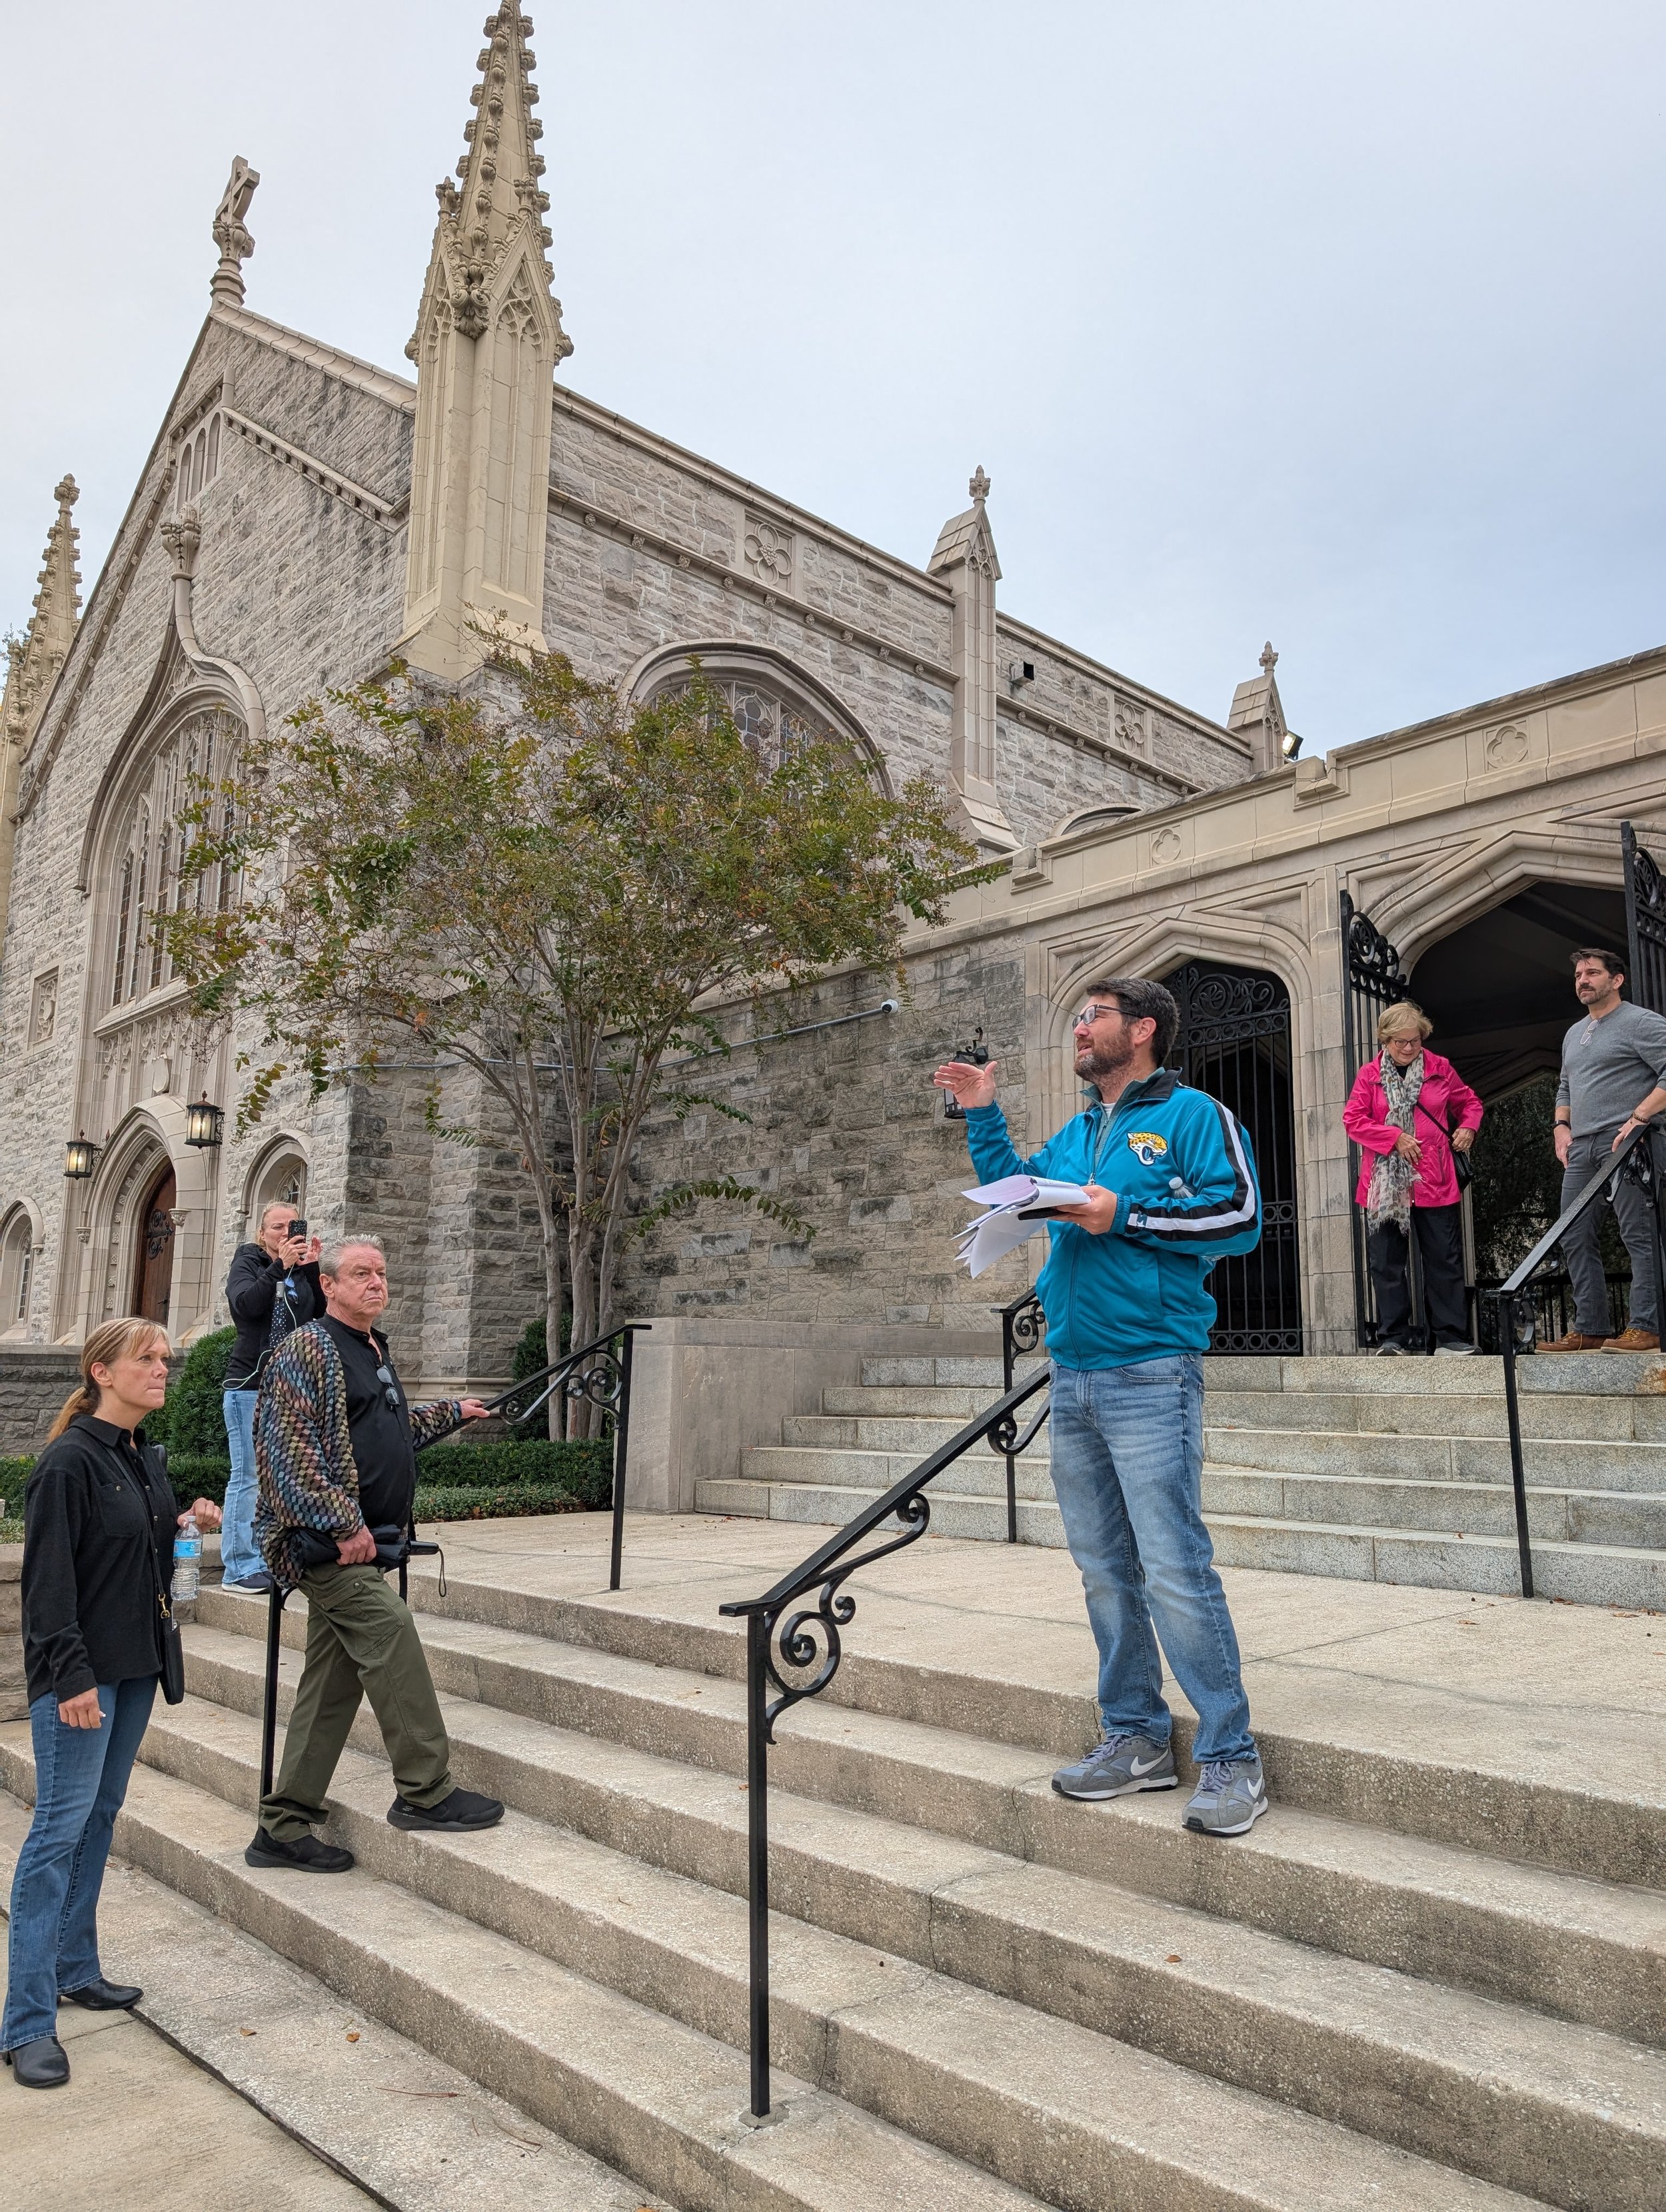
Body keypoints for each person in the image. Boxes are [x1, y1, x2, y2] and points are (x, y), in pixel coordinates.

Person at [934, 975, 1268, 1838]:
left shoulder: (1195, 1117)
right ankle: (1136, 1738)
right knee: (1105, 1572)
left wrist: (1125, 1214)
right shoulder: (1080, 1132)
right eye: (1078, 1017)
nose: (1079, 1029)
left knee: (1174, 1568)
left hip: (1153, 1371)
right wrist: (982, 1112)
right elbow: (1016, 1189)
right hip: (1072, 1376)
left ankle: (1231, 1755)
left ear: (1144, 1029)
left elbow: (1238, 1215)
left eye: (1094, 1017)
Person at [3, 1320, 222, 2090]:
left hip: (134, 1668)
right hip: (83, 1676)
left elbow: (133, 1554)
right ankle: (27, 2021)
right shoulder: (66, 1463)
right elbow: (48, 1587)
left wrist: (180, 1520)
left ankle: (76, 1966)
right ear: (101, 1371)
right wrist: (69, 1681)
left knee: (100, 1815)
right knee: (57, 1832)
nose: (165, 1368)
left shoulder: (138, 1458)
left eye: (166, 1357)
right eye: (148, 1359)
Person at [247, 1235, 502, 1871]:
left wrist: (453, 1413)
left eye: (382, 1273)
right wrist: (343, 1525)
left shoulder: (370, 1349)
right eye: (361, 1273)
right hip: (323, 1545)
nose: (375, 1283)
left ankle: (282, 1825)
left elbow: (386, 1428)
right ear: (328, 1285)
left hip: (361, 1544)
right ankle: (426, 1792)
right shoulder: (308, 1347)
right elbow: (290, 1454)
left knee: (331, 1685)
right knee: (391, 1631)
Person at [1541, 946, 1666, 1353]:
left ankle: (1647, 1327)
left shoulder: (1640, 1022)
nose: (1583, 980)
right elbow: (1565, 1085)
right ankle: (1590, 1329)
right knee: (1573, 1234)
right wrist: (1562, 1126)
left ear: (1616, 980)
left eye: (1592, 973)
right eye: (1579, 975)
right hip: (1582, 1148)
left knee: (1638, 1235)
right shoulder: (1573, 1033)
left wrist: (1640, 1117)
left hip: (1628, 1142)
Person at [1342, 1001, 1482, 1357]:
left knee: (1444, 1260)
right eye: (1401, 1042)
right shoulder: (1368, 1075)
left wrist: (1467, 1127)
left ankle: (1450, 1338)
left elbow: (1470, 1104)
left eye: (1415, 1041)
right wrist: (1394, 1137)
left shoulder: (1440, 1068)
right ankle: (1393, 1339)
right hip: (1386, 1185)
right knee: (1387, 1263)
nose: (1409, 1048)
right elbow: (1353, 1121)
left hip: (1434, 1178)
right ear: (1385, 1041)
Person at [220, 1204, 324, 1594]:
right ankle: (239, 1568)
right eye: (276, 1227)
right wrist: (278, 1266)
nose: (284, 1232)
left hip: (291, 1392)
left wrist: (311, 1267)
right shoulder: (248, 1261)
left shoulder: (299, 1272)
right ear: (262, 1234)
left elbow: (323, 1318)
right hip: (249, 1387)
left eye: (291, 1226)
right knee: (248, 1476)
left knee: (283, 1479)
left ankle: (273, 1558)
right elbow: (245, 1306)